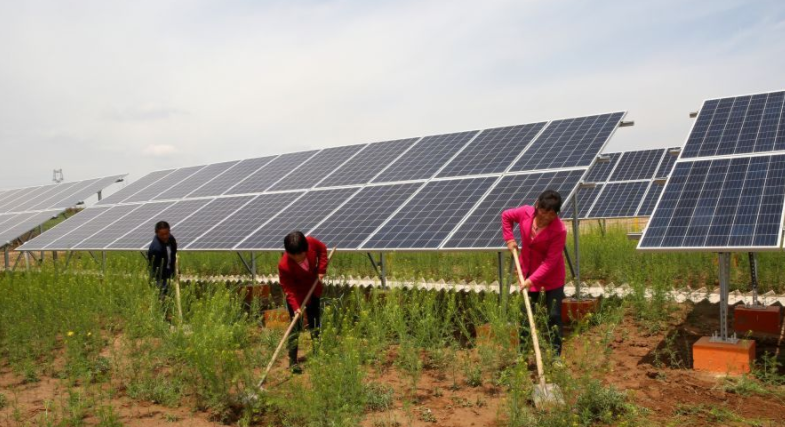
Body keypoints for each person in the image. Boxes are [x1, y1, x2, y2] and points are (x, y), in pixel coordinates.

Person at [501, 190, 566, 356]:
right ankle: (522, 353)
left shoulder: (559, 230)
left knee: (554, 315)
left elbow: (550, 262)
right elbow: (506, 216)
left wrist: (532, 280)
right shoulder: (525, 212)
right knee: (526, 314)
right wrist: (509, 238)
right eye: (543, 212)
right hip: (527, 271)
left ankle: (555, 355)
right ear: (537, 206)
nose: (546, 217)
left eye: (551, 214)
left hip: (552, 277)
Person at [278, 231, 329, 373]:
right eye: (293, 257)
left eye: (300, 256)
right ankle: (293, 361)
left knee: (314, 321)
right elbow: (288, 289)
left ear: (306, 249)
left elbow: (323, 249)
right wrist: (296, 307)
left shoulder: (311, 243)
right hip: (297, 295)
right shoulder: (284, 265)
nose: (297, 259)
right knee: (295, 327)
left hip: (313, 289)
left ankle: (317, 352)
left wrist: (321, 269)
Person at [147, 221, 177, 299]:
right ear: (156, 233)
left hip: (168, 268)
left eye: (167, 233)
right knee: (162, 297)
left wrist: (175, 271)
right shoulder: (156, 249)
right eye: (162, 234)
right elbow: (157, 269)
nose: (165, 236)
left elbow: (173, 254)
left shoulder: (171, 239)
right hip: (158, 274)